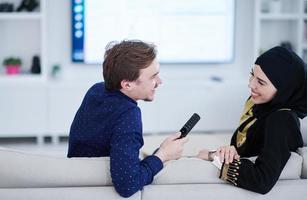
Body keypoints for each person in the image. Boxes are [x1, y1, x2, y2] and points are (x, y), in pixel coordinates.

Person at [67, 40, 188, 198]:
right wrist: (163, 155)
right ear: (127, 85)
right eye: (153, 76)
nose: (159, 82)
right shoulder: (128, 114)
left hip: (76, 175)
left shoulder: (97, 90)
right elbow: (127, 184)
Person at [197, 46, 306, 194]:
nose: (250, 84)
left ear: (284, 88)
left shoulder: (282, 120)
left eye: (261, 82)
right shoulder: (261, 106)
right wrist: (223, 153)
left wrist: (215, 158)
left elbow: (262, 181)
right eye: (252, 75)